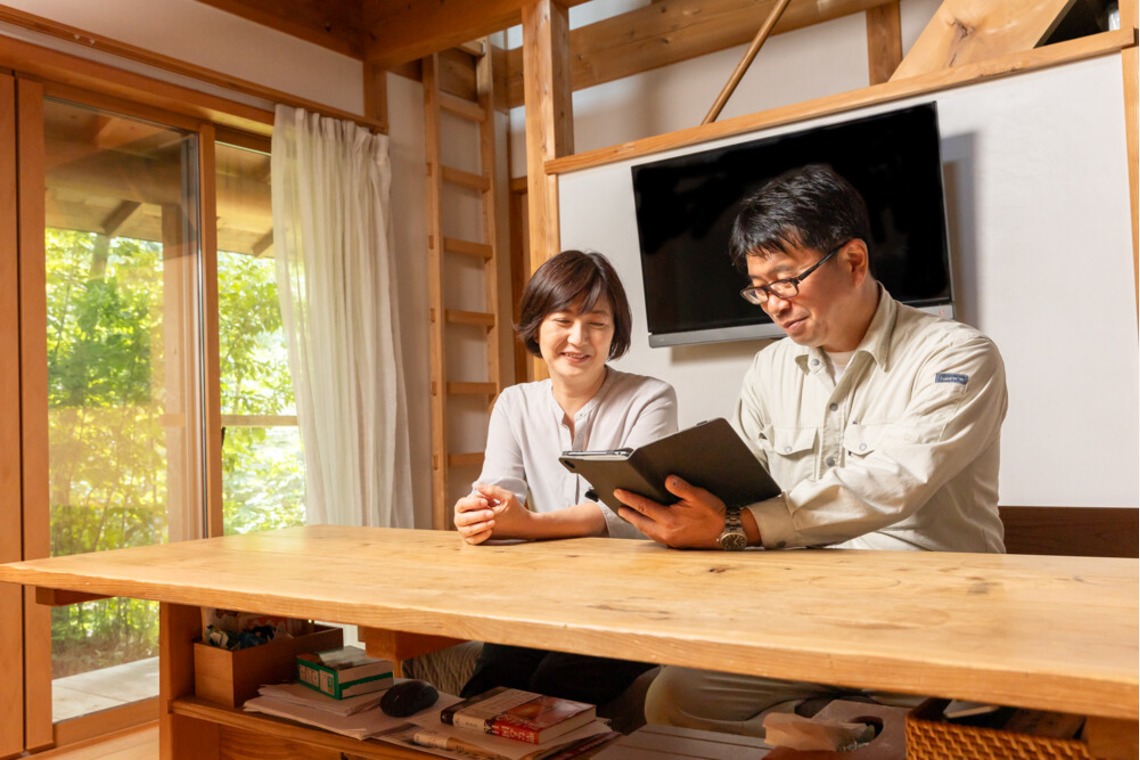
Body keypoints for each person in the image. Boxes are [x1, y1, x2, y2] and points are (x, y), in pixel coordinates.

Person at [614, 164, 1008, 735]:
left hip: (933, 612)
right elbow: (741, 482)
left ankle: (844, 736)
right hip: (803, 608)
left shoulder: (957, 357)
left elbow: (893, 479)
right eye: (759, 288)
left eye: (785, 280)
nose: (772, 304)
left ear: (853, 261)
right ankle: (839, 737)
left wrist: (737, 524)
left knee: (944, 730)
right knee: (674, 699)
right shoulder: (771, 368)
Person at [453, 248, 678, 707]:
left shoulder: (651, 398)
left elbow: (629, 511)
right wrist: (476, 515)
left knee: (558, 687)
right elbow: (499, 497)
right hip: (541, 595)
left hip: (629, 602)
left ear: (615, 333)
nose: (580, 338)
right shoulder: (515, 403)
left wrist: (528, 524)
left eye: (597, 323)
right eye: (563, 320)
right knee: (486, 690)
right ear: (537, 326)